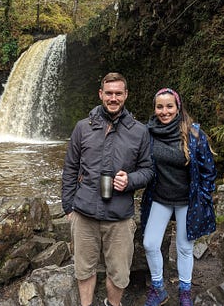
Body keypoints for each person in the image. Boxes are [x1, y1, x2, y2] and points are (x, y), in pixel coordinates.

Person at [62, 72, 154, 306]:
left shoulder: (139, 131)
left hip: (119, 215)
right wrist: (68, 207)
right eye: (109, 93)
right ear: (101, 94)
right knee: (84, 269)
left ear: (126, 95)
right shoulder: (83, 128)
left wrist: (130, 180)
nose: (113, 98)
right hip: (84, 213)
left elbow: (148, 170)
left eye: (118, 93)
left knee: (120, 274)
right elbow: (70, 168)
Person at [140, 88, 217, 306]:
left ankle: (185, 291)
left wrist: (203, 198)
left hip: (187, 201)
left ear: (178, 107)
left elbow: (208, 170)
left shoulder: (193, 134)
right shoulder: (148, 132)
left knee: (184, 247)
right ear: (155, 109)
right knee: (149, 243)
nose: (164, 111)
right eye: (160, 107)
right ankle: (158, 288)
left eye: (169, 106)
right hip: (160, 198)